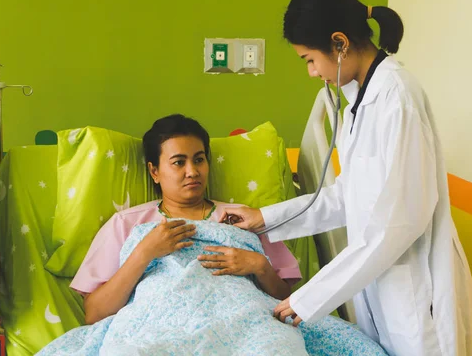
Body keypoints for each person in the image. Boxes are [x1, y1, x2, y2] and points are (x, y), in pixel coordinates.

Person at [219, 0, 472, 356]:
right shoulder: (357, 99)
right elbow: (348, 196)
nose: (311, 72)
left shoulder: (397, 98)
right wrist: (264, 218)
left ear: (339, 44)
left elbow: (400, 222)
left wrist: (309, 298)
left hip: (416, 292)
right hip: (382, 285)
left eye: (310, 59)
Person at [70, 114, 302, 325]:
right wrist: (144, 253)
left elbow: (286, 303)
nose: (192, 171)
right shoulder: (127, 224)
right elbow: (95, 315)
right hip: (158, 329)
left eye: (199, 160)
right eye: (179, 162)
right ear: (154, 172)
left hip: (243, 326)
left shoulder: (245, 217)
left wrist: (260, 266)